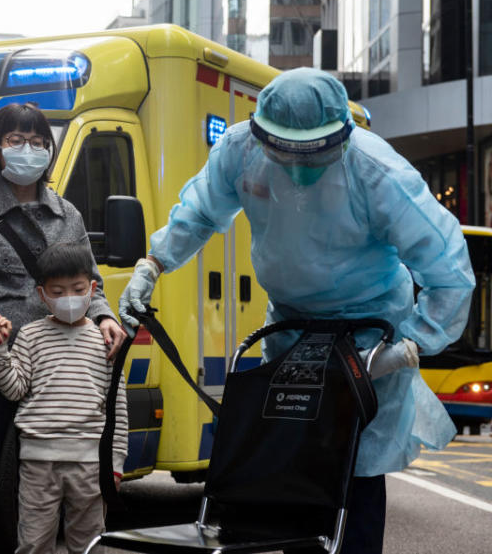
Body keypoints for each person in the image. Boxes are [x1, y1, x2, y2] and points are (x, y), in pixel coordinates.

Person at [118, 68, 475, 554]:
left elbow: (447, 267)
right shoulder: (240, 151)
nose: (295, 165)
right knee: (289, 456)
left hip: (368, 332)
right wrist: (154, 263)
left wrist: (411, 343)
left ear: (342, 139)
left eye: (312, 153)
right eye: (282, 151)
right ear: (262, 134)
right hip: (290, 326)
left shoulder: (377, 173)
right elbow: (200, 212)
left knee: (354, 465)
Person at [0, 102, 126, 554]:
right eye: (17, 140)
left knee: (46, 481)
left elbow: (89, 283)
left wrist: (105, 316)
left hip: (56, 368)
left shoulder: (68, 217)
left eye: (39, 143)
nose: (29, 150)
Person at [0, 242, 128, 554]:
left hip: (91, 465)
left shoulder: (106, 340)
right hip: (38, 463)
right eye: (58, 291)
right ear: (42, 295)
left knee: (88, 544)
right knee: (34, 543)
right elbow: (14, 388)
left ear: (92, 287)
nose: (68, 298)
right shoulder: (30, 336)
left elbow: (117, 408)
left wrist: (115, 463)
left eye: (77, 289)